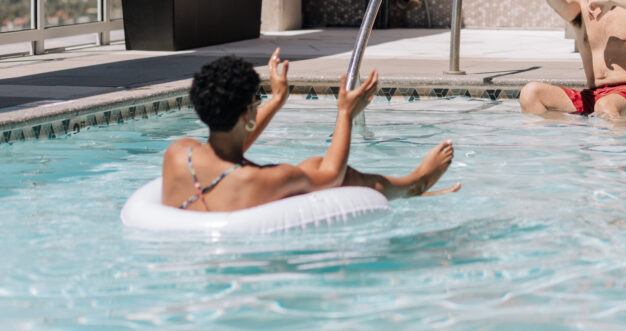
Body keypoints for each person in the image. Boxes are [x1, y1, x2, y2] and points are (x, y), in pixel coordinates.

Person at [162, 48, 460, 211]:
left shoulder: (177, 154)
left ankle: (410, 192)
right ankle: (415, 183)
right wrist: (345, 112)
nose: (259, 105)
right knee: (334, 174)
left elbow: (227, 143)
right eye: (258, 100)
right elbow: (332, 175)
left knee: (312, 166)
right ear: (246, 113)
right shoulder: (260, 179)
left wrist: (277, 100)